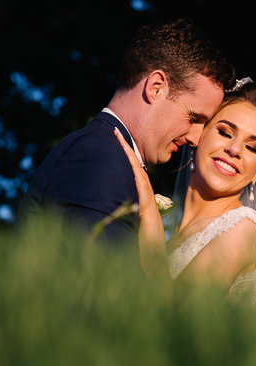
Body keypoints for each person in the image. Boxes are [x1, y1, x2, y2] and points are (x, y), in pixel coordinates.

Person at [115, 80, 256, 332]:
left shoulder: (243, 230)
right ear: (199, 136)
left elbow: (175, 318)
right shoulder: (165, 216)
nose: (234, 149)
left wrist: (149, 218)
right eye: (225, 132)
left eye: (252, 147)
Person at [20, 17, 235, 249]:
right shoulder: (97, 157)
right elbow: (100, 280)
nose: (195, 138)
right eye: (194, 118)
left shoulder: (109, 156)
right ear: (156, 87)